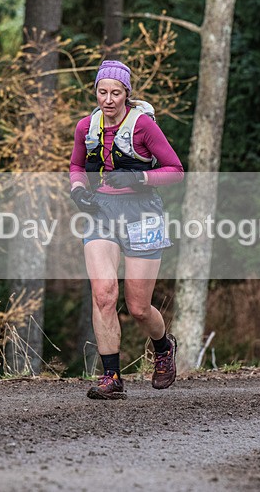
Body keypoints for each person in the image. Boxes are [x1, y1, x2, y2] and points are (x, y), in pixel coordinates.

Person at [69, 60, 184, 400]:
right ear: (95, 92)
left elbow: (176, 170)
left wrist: (139, 177)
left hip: (143, 212)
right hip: (101, 210)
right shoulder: (86, 126)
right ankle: (111, 376)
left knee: (138, 307)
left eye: (115, 93)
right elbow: (76, 165)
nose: (108, 99)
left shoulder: (143, 126)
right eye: (102, 92)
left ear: (126, 94)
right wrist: (78, 191)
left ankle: (163, 347)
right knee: (104, 294)